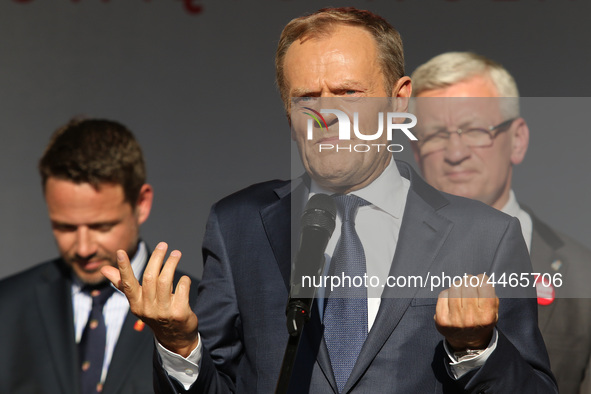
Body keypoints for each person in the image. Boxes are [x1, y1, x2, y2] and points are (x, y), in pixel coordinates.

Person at [103, 8, 557, 393]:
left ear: (399, 103)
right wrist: (180, 347)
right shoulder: (239, 224)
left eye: (348, 94)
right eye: (306, 98)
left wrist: (478, 350)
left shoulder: (485, 236)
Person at [410, 51, 591, 394]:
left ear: (517, 140)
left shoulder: (584, 277)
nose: (455, 152)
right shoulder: (379, 262)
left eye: (476, 130)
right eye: (435, 135)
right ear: (416, 152)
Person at [0, 118, 198, 394]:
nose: (83, 248)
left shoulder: (201, 307)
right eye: (65, 227)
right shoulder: (6, 306)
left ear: (141, 204)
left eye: (101, 226)